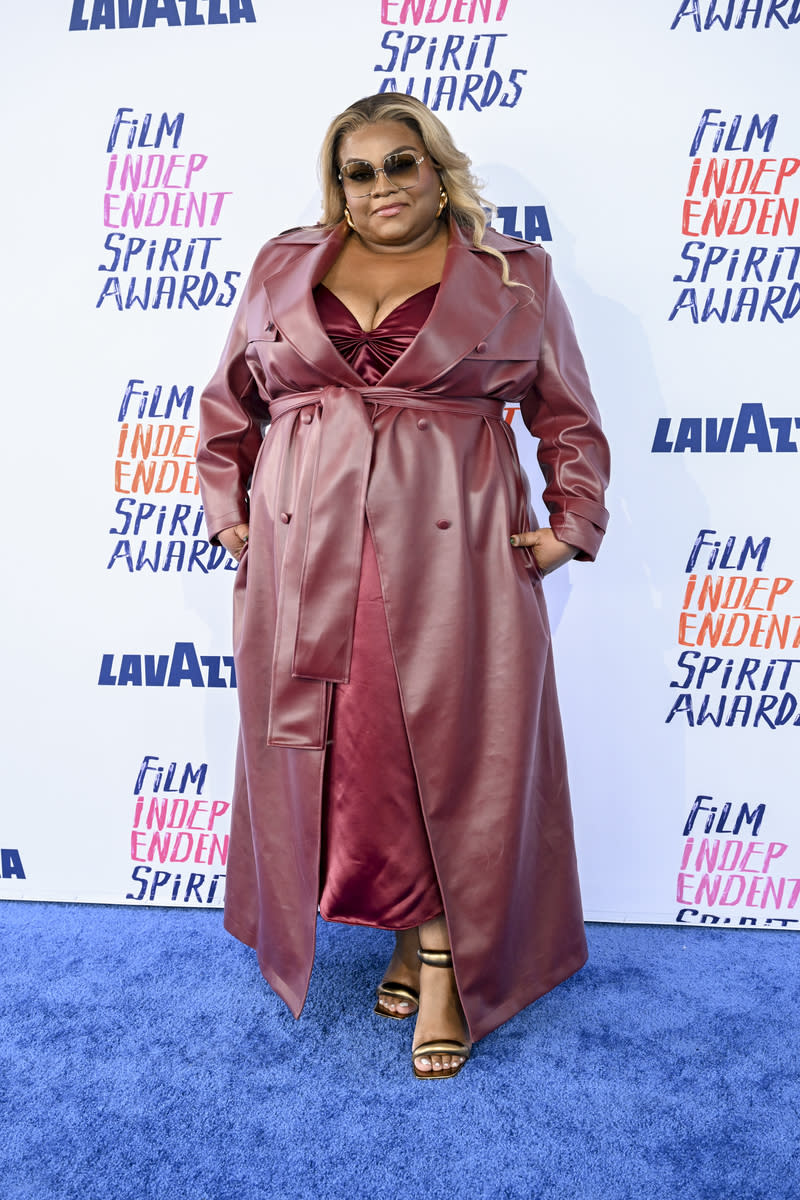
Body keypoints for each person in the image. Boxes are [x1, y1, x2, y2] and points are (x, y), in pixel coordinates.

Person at [196, 93, 610, 1080]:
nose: (379, 185)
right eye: (357, 170)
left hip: (451, 556)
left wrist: (567, 529)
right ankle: (402, 929)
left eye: (399, 164)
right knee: (347, 754)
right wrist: (231, 516)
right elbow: (226, 406)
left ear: (436, 169)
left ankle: (442, 966)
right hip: (304, 557)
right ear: (336, 183)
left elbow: (567, 419)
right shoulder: (282, 266)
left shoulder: (512, 276)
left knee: (444, 752)